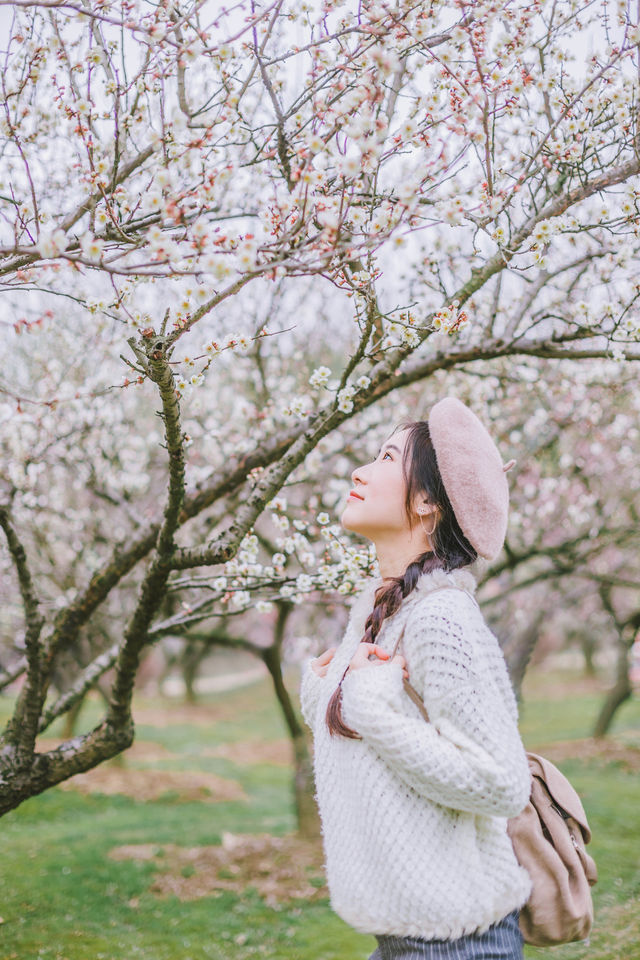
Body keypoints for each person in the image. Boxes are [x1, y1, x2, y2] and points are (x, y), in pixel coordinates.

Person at [299, 396, 533, 960]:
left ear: (428, 502)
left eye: (384, 458)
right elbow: (361, 726)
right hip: (410, 940)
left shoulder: (440, 617)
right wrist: (324, 690)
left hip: (457, 945)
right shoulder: (385, 606)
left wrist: (367, 706)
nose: (360, 470)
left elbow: (501, 782)